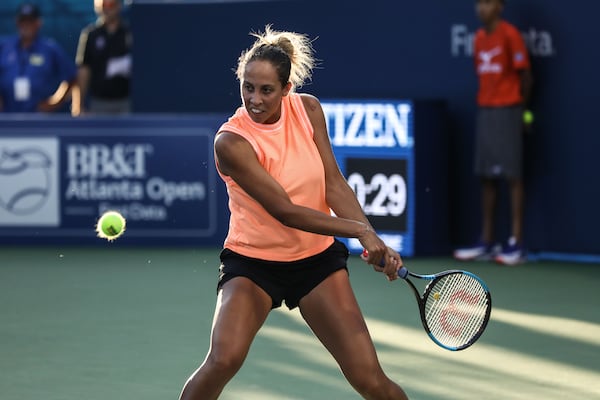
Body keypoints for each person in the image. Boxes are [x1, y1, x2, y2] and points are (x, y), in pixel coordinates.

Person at [178, 26, 409, 400]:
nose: (254, 98)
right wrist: (359, 232)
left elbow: (333, 183)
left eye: (266, 90)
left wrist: (374, 239)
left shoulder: (308, 110)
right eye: (247, 87)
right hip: (253, 264)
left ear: (287, 90)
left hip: (316, 262)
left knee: (369, 378)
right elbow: (285, 211)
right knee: (223, 360)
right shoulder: (231, 142)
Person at [454, 0, 533, 265]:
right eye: (479, 3)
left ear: (499, 7)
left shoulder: (510, 34)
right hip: (486, 110)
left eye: (488, 3)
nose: (481, 8)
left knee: (513, 175)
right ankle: (487, 241)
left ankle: (516, 243)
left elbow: (526, 77)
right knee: (486, 176)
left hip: (509, 110)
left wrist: (523, 113)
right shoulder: (478, 38)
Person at [0, 2, 77, 113]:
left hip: (38, 118)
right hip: (7, 116)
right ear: (17, 22)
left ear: (38, 23)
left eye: (30, 21)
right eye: (23, 21)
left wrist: (54, 102)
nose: (26, 25)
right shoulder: (4, 46)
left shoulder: (50, 48)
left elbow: (71, 77)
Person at [74, 0, 132, 115]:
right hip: (99, 102)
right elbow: (84, 70)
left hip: (125, 101)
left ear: (118, 6)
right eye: (102, 5)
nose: (106, 9)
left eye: (111, 5)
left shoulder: (129, 33)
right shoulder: (91, 34)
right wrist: (78, 105)